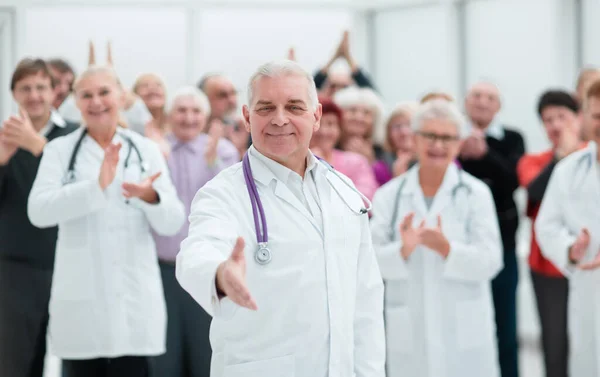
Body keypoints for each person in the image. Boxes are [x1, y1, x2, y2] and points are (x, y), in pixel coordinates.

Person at [176, 59, 385, 377]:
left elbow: (366, 299)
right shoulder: (223, 193)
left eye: (294, 107)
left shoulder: (343, 190)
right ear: (246, 117)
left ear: (316, 117)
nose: (279, 119)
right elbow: (197, 251)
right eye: (265, 108)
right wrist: (219, 274)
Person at [27, 65, 185, 377]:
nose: (96, 102)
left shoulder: (146, 150)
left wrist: (149, 196)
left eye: (104, 92)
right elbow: (38, 212)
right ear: (76, 101)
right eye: (86, 95)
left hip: (133, 303)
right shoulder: (60, 151)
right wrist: (94, 186)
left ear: (121, 97)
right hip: (83, 305)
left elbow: (173, 222)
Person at [370, 99, 502, 377]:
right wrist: (402, 251)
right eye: (430, 135)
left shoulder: (476, 194)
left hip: (464, 332)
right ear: (415, 140)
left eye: (446, 137)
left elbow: (491, 261)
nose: (437, 145)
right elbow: (369, 262)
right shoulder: (389, 196)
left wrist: (447, 249)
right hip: (409, 329)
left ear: (458, 143)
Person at [152, 86, 239, 377]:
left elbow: (232, 200)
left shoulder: (224, 150)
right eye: (181, 110)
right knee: (164, 356)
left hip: (207, 271)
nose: (188, 118)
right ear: (169, 115)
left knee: (204, 352)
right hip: (160, 271)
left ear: (205, 116)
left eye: (195, 111)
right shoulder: (155, 148)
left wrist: (213, 159)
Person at [0, 58, 78, 377]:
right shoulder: (4, 137)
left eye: (40, 87)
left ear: (54, 91)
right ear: (14, 94)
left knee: (74, 355)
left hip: (69, 262)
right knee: (16, 359)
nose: (34, 95)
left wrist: (38, 147)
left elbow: (82, 187)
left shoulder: (74, 135)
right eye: (25, 88)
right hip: (16, 267)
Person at [458, 81, 525, 377]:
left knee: (506, 328)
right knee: (465, 327)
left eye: (490, 98)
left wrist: (484, 154)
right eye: (476, 96)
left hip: (504, 245)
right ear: (466, 103)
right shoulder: (453, 138)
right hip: (461, 245)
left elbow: (513, 181)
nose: (483, 102)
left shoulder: (512, 138)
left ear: (498, 106)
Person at [534, 78, 600, 377]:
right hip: (587, 289)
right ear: (584, 117)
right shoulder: (568, 169)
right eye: (597, 116)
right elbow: (546, 226)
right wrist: (569, 250)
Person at [517, 90, 584, 377]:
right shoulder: (533, 161)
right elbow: (535, 191)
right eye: (548, 120)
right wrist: (561, 157)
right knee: (554, 341)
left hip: (588, 262)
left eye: (562, 117)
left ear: (578, 119)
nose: (556, 125)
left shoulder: (591, 158)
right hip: (547, 267)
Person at [309, 97, 378, 200]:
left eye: (330, 124)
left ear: (339, 129)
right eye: (317, 123)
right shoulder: (294, 162)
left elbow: (365, 198)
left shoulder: (356, 162)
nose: (323, 131)